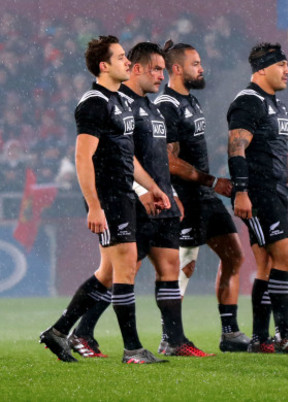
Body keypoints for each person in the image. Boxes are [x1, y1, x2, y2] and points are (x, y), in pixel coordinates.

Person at [69, 42, 212, 358]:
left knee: (169, 266)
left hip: (160, 200)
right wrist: (140, 192)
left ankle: (174, 340)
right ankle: (81, 333)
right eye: (155, 69)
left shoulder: (152, 106)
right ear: (135, 69)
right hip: (135, 202)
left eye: (163, 69)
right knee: (118, 272)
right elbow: (120, 158)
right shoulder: (120, 105)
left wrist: (170, 193)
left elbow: (157, 158)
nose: (160, 75)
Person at [39, 35, 170, 364]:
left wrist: (152, 187)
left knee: (109, 273)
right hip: (108, 197)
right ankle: (133, 350)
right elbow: (83, 158)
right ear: (104, 66)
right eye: (121, 57)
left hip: (123, 193)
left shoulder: (121, 102)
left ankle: (58, 332)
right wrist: (94, 205)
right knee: (124, 268)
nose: (127, 62)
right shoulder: (94, 103)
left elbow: (128, 156)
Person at [154, 40, 249, 352]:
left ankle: (230, 334)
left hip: (206, 195)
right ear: (177, 69)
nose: (201, 68)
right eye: (195, 63)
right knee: (182, 267)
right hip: (186, 199)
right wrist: (212, 181)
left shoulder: (190, 102)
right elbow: (168, 161)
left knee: (234, 256)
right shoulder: (166, 106)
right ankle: (171, 338)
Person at [227, 42, 288, 353]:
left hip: (276, 192)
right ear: (263, 69)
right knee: (283, 257)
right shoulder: (248, 102)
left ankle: (261, 339)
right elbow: (236, 148)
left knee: (268, 264)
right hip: (258, 193)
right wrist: (241, 191)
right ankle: (284, 334)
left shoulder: (276, 105)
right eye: (282, 65)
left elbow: (283, 153)